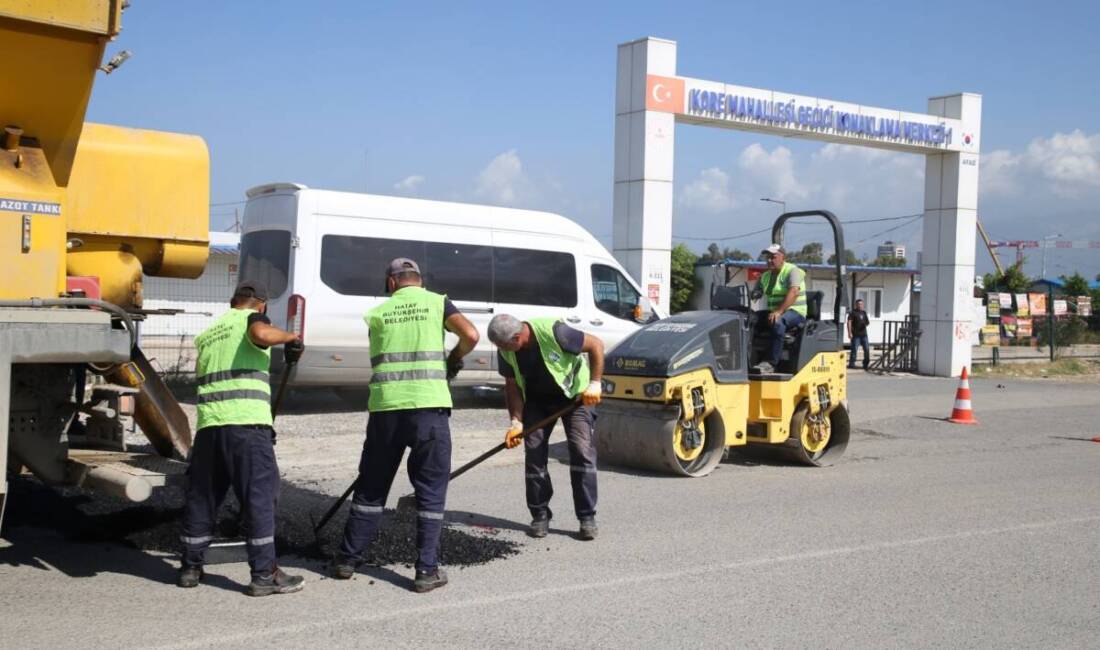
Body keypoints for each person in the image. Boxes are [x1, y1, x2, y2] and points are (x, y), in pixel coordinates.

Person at [331, 258, 478, 593]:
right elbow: (470, 334)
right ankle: (426, 570)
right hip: (428, 408)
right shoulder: (437, 302)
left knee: (371, 486)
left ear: (392, 282)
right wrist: (452, 360)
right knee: (430, 489)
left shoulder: (378, 314)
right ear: (418, 280)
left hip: (385, 409)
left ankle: (347, 559)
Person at [178, 280, 305, 596]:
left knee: (203, 498)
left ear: (232, 300)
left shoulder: (209, 334)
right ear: (260, 304)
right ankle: (264, 574)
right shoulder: (252, 319)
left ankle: (190, 567)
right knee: (260, 497)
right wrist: (291, 336)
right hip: (247, 427)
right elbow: (261, 335)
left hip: (210, 428)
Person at [487, 314, 604, 540]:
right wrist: (516, 422)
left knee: (582, 451)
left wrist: (595, 383)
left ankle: (586, 516)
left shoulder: (556, 333)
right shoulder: (506, 349)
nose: (502, 350)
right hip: (537, 401)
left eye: (504, 345)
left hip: (576, 397)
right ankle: (540, 515)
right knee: (534, 454)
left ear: (518, 336)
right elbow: (511, 387)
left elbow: (596, 345)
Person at [754, 243, 807, 374]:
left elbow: (794, 292)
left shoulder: (792, 271)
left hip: (795, 312)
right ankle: (751, 356)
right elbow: (757, 291)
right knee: (749, 319)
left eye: (773, 257)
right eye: (767, 257)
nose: (769, 260)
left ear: (783, 257)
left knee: (778, 322)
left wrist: (779, 311)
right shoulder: (765, 276)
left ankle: (771, 363)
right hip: (775, 311)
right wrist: (755, 293)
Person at [847, 298, 871, 370]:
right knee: (854, 349)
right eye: (858, 304)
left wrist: (865, 324)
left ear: (863, 305)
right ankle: (852, 363)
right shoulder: (853, 313)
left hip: (864, 335)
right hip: (856, 335)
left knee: (866, 349)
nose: (860, 305)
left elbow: (867, 322)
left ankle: (865, 364)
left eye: (861, 304)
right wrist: (849, 332)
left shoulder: (864, 313)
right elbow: (849, 322)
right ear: (856, 305)